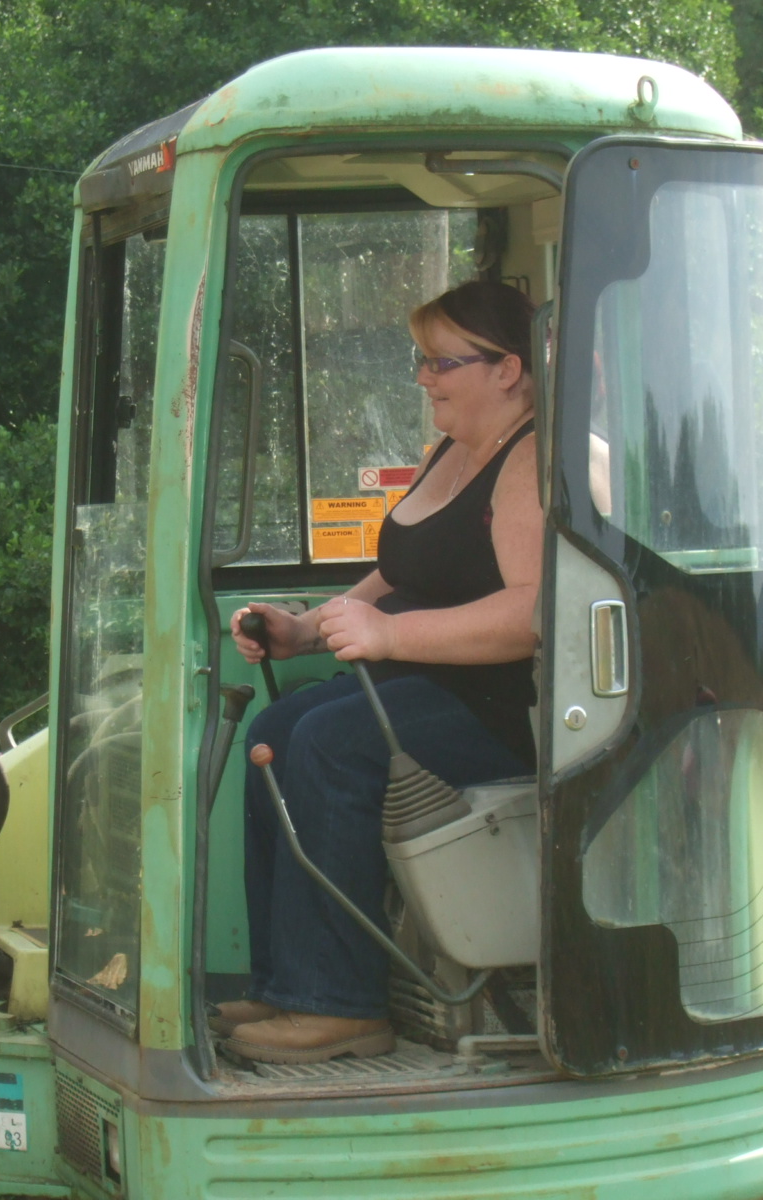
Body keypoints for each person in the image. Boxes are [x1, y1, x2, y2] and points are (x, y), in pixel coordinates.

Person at [217, 279, 543, 1065]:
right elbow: (400, 570)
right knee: (275, 731)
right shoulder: (457, 449)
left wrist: (390, 634)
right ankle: (286, 981)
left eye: (441, 363)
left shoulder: (530, 462)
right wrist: (305, 631)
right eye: (421, 361)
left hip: (502, 707)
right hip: (426, 686)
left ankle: (341, 1008)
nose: (423, 378)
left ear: (507, 369)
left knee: (330, 742)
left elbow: (532, 613)